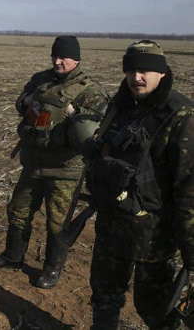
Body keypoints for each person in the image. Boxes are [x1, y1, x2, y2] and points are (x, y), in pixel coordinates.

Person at [0, 35, 109, 289]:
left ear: (77, 59)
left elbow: (98, 129)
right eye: (55, 56)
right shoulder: (40, 79)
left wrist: (75, 116)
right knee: (18, 211)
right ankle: (12, 257)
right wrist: (25, 102)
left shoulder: (90, 91)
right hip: (33, 162)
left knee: (58, 222)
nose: (58, 61)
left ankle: (52, 269)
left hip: (65, 169)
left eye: (64, 57)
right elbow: (21, 102)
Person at [83, 40, 194, 329]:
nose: (136, 77)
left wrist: (191, 249)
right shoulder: (119, 107)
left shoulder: (181, 116)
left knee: (155, 306)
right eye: (131, 70)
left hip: (154, 236)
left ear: (162, 73)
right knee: (104, 293)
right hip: (111, 226)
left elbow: (189, 190)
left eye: (145, 70)